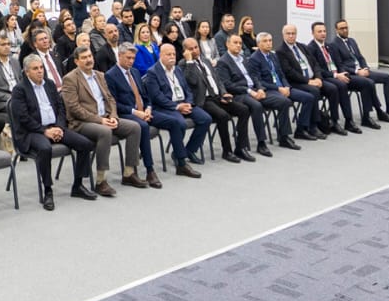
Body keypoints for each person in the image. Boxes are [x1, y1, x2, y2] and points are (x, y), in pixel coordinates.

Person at [8, 52, 93, 210]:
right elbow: (23, 118)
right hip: (32, 132)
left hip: (55, 127)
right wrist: (44, 131)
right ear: (27, 72)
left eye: (41, 67)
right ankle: (48, 190)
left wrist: (59, 127)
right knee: (45, 148)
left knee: (85, 144)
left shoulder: (49, 84)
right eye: (35, 68)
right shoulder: (19, 90)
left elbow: (61, 108)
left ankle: (78, 185)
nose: (40, 71)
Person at [61, 42, 142, 193]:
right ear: (76, 61)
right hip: (82, 123)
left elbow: (110, 99)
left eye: (90, 56)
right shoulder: (70, 79)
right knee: (105, 132)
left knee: (134, 127)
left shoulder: (100, 75)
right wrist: (100, 120)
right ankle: (101, 180)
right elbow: (74, 108)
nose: (88, 60)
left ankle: (129, 173)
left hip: (105, 117)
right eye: (84, 58)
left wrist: (113, 116)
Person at [103, 42, 167, 187]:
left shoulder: (136, 72)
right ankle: (150, 170)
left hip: (143, 112)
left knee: (173, 121)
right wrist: (136, 112)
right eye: (128, 58)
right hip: (125, 113)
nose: (131, 61)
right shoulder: (110, 75)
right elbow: (113, 104)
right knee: (143, 126)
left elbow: (145, 96)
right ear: (119, 56)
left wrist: (148, 108)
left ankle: (181, 160)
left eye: (133, 58)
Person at [139, 42, 207, 178]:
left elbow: (187, 89)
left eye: (174, 54)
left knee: (205, 119)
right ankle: (181, 163)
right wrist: (176, 107)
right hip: (165, 107)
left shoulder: (177, 69)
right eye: (168, 54)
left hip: (183, 103)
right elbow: (157, 97)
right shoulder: (153, 72)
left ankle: (187, 151)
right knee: (179, 123)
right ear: (161, 55)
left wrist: (188, 103)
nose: (172, 57)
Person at [329, 19, 389, 121]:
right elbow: (340, 65)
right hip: (351, 74)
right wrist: (357, 72)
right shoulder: (334, 45)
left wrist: (365, 68)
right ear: (336, 30)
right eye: (342, 28)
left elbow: (360, 57)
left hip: (362, 71)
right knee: (369, 82)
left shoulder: (352, 41)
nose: (345, 30)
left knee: (387, 78)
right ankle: (377, 111)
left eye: (346, 28)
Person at [278, 24, 339, 137]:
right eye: (288, 34)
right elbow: (289, 72)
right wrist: (308, 81)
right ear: (283, 35)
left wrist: (318, 78)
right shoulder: (281, 51)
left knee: (333, 88)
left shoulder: (302, 47)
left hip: (313, 79)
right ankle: (313, 125)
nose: (291, 36)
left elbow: (315, 64)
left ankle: (334, 121)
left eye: (293, 33)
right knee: (314, 91)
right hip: (296, 83)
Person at [215, 32, 270, 158]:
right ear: (227, 44)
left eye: (240, 43)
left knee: (279, 100)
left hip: (254, 90)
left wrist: (260, 88)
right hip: (239, 94)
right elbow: (228, 85)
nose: (238, 45)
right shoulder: (223, 62)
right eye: (235, 43)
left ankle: (285, 135)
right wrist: (249, 91)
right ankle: (261, 143)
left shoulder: (243, 59)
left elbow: (254, 76)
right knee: (256, 106)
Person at [247, 31, 304, 149]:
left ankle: (301, 129)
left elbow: (281, 74)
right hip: (267, 89)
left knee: (307, 96)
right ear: (258, 44)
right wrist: (278, 88)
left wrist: (286, 86)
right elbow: (258, 81)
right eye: (265, 41)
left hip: (281, 88)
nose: (269, 43)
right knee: (285, 102)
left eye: (270, 40)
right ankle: (284, 137)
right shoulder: (254, 59)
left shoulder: (273, 55)